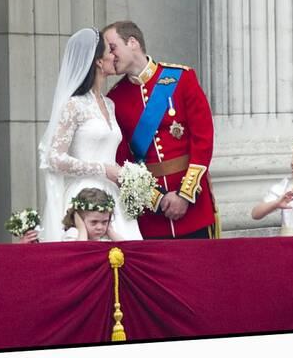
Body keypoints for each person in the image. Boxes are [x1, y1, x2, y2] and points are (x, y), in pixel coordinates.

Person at [103, 21, 218, 239]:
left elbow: (203, 140)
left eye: (112, 47)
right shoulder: (115, 99)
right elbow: (123, 159)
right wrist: (158, 199)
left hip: (193, 203)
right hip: (153, 214)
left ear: (132, 42)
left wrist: (185, 195)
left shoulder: (182, 78)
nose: (109, 56)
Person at [38, 27, 143, 241]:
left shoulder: (110, 104)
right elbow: (54, 158)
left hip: (114, 196)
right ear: (98, 61)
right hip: (84, 196)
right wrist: (104, 169)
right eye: (110, 51)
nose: (115, 55)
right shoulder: (73, 105)